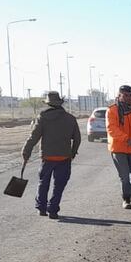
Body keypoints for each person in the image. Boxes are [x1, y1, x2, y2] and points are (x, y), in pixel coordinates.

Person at [21, 91, 81, 220]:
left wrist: (26, 151)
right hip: (64, 157)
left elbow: (33, 137)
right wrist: (72, 152)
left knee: (43, 183)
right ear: (60, 103)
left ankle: (41, 208)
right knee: (59, 185)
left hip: (47, 158)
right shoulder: (70, 118)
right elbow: (77, 138)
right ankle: (53, 210)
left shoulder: (42, 117)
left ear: (48, 103)